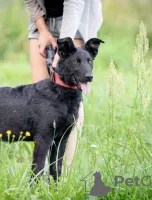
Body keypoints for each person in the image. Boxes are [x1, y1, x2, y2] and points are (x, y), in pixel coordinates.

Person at [24, 0, 103, 170]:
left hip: (77, 18)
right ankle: (40, 175)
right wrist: (43, 30)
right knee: (40, 100)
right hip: (41, 19)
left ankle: (63, 173)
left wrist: (63, 52)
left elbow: (74, 3)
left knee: (72, 100)